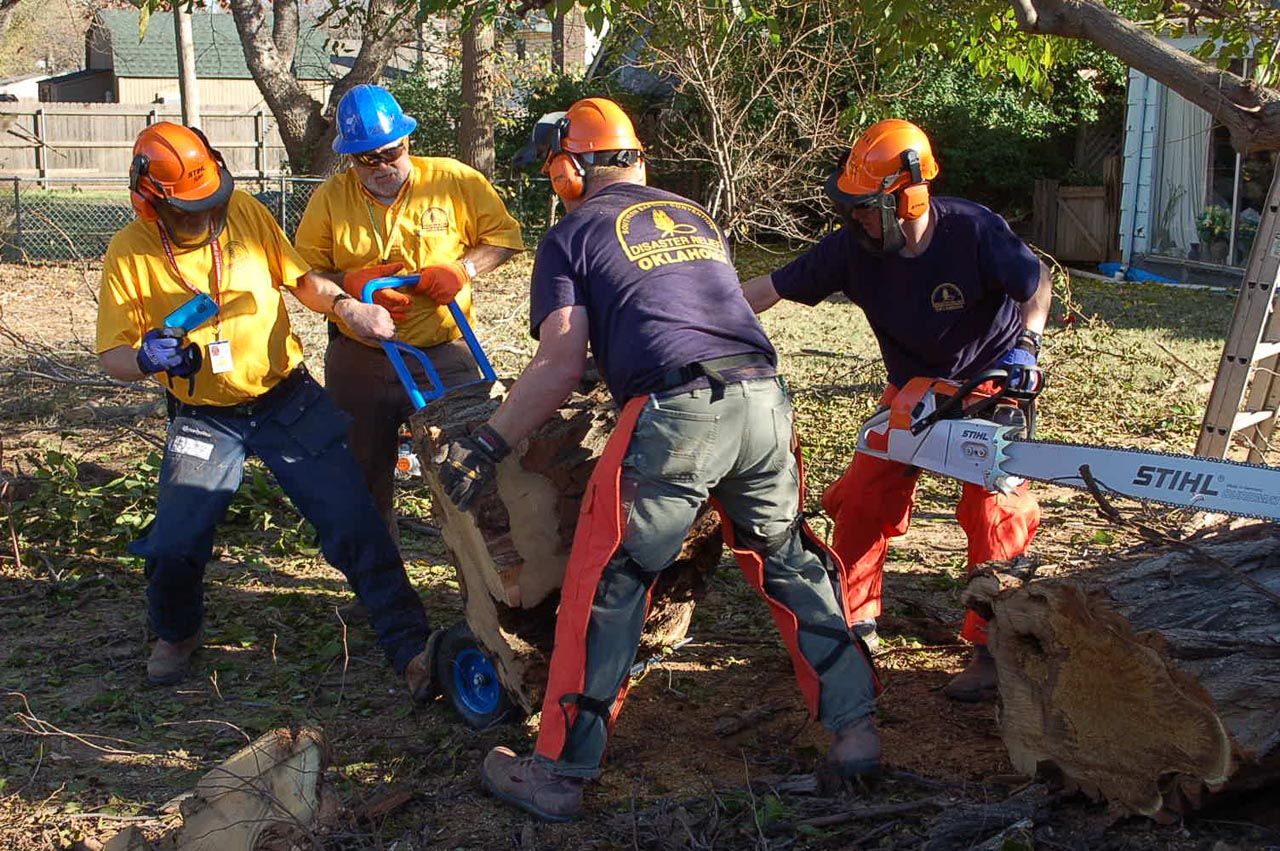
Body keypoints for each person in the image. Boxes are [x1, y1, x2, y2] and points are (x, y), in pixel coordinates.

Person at [434, 98, 881, 823]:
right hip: (763, 397)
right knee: (787, 559)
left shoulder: (572, 232)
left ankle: (557, 770)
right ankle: (855, 730)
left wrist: (487, 441)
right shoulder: (693, 214)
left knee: (607, 581)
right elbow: (681, 312)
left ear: (569, 168)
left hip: (678, 415)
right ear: (636, 159)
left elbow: (555, 362)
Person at [96, 122, 440, 698]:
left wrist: (348, 309)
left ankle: (408, 643)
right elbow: (111, 356)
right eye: (189, 213)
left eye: (211, 205)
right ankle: (176, 632)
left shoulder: (248, 214)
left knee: (353, 520)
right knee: (177, 539)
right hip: (203, 414)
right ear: (150, 201)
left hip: (287, 398)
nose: (205, 219)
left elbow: (302, 279)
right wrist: (145, 357)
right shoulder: (128, 253)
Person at [742, 119, 1051, 703]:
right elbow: (771, 288)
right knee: (859, 497)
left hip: (990, 388)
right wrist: (702, 315)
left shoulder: (974, 230)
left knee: (996, 511)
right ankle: (854, 624)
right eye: (851, 206)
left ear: (907, 195)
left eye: (865, 207)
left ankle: (992, 646)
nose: (854, 217)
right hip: (911, 394)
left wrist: (1027, 346)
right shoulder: (853, 248)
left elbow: (1034, 284)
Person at [295, 84, 524, 539]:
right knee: (361, 476)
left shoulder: (454, 181)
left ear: (407, 141)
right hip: (361, 355)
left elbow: (504, 238)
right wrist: (350, 292)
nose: (382, 166)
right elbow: (302, 276)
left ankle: (492, 581)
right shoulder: (330, 199)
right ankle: (382, 589)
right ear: (350, 159)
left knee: (473, 468)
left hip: (443, 352)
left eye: (390, 152)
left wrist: (463, 269)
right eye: (367, 159)